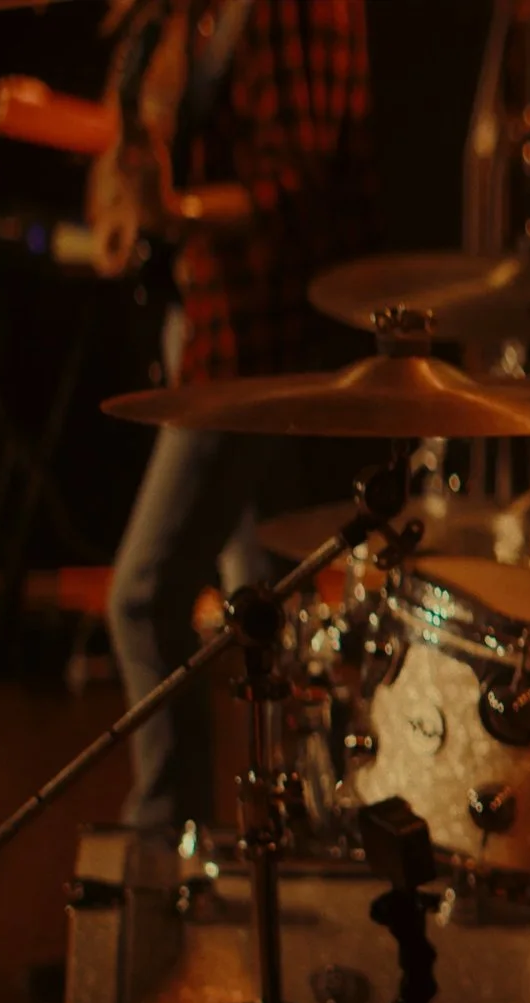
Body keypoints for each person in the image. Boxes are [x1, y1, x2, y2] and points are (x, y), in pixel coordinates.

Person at [90, 0, 373, 829]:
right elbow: (143, 120)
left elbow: (300, 184)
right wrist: (124, 195)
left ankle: (165, 840)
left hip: (257, 335)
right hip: (208, 315)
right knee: (268, 618)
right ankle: (290, 843)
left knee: (144, 598)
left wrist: (175, 213)